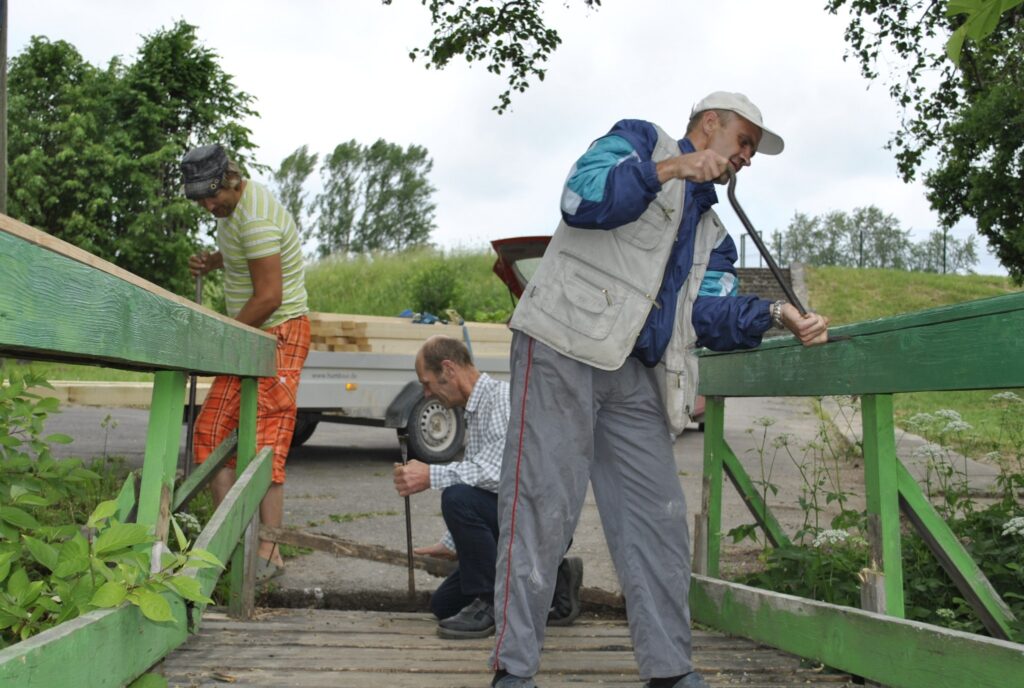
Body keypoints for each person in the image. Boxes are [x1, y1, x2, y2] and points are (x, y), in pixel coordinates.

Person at [488, 92, 831, 688]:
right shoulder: (639, 141)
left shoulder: (713, 232)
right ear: (709, 125)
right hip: (563, 343)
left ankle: (670, 671)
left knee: (659, 519)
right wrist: (670, 169)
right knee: (542, 505)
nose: (747, 157)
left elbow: (708, 314)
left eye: (753, 149)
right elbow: (579, 199)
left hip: (634, 374)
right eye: (743, 141)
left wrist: (780, 314)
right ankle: (513, 670)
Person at [393, 335, 584, 639]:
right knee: (444, 605)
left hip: (540, 524)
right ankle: (557, 579)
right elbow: (482, 484)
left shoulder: (502, 400)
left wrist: (431, 474)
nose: (427, 394)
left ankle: (492, 604)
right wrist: (451, 543)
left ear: (449, 369)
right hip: (520, 520)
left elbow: (499, 474)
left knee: (456, 497)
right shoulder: (476, 409)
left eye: (428, 383)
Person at [180, 144, 310, 583]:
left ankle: (268, 555)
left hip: (280, 333)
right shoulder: (233, 212)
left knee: (265, 441)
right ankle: (230, 544)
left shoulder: (255, 220)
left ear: (232, 180)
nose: (207, 205)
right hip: (254, 335)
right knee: (210, 432)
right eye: (199, 198)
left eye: (211, 196)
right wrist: (215, 261)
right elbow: (246, 258)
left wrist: (223, 339)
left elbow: (269, 297)